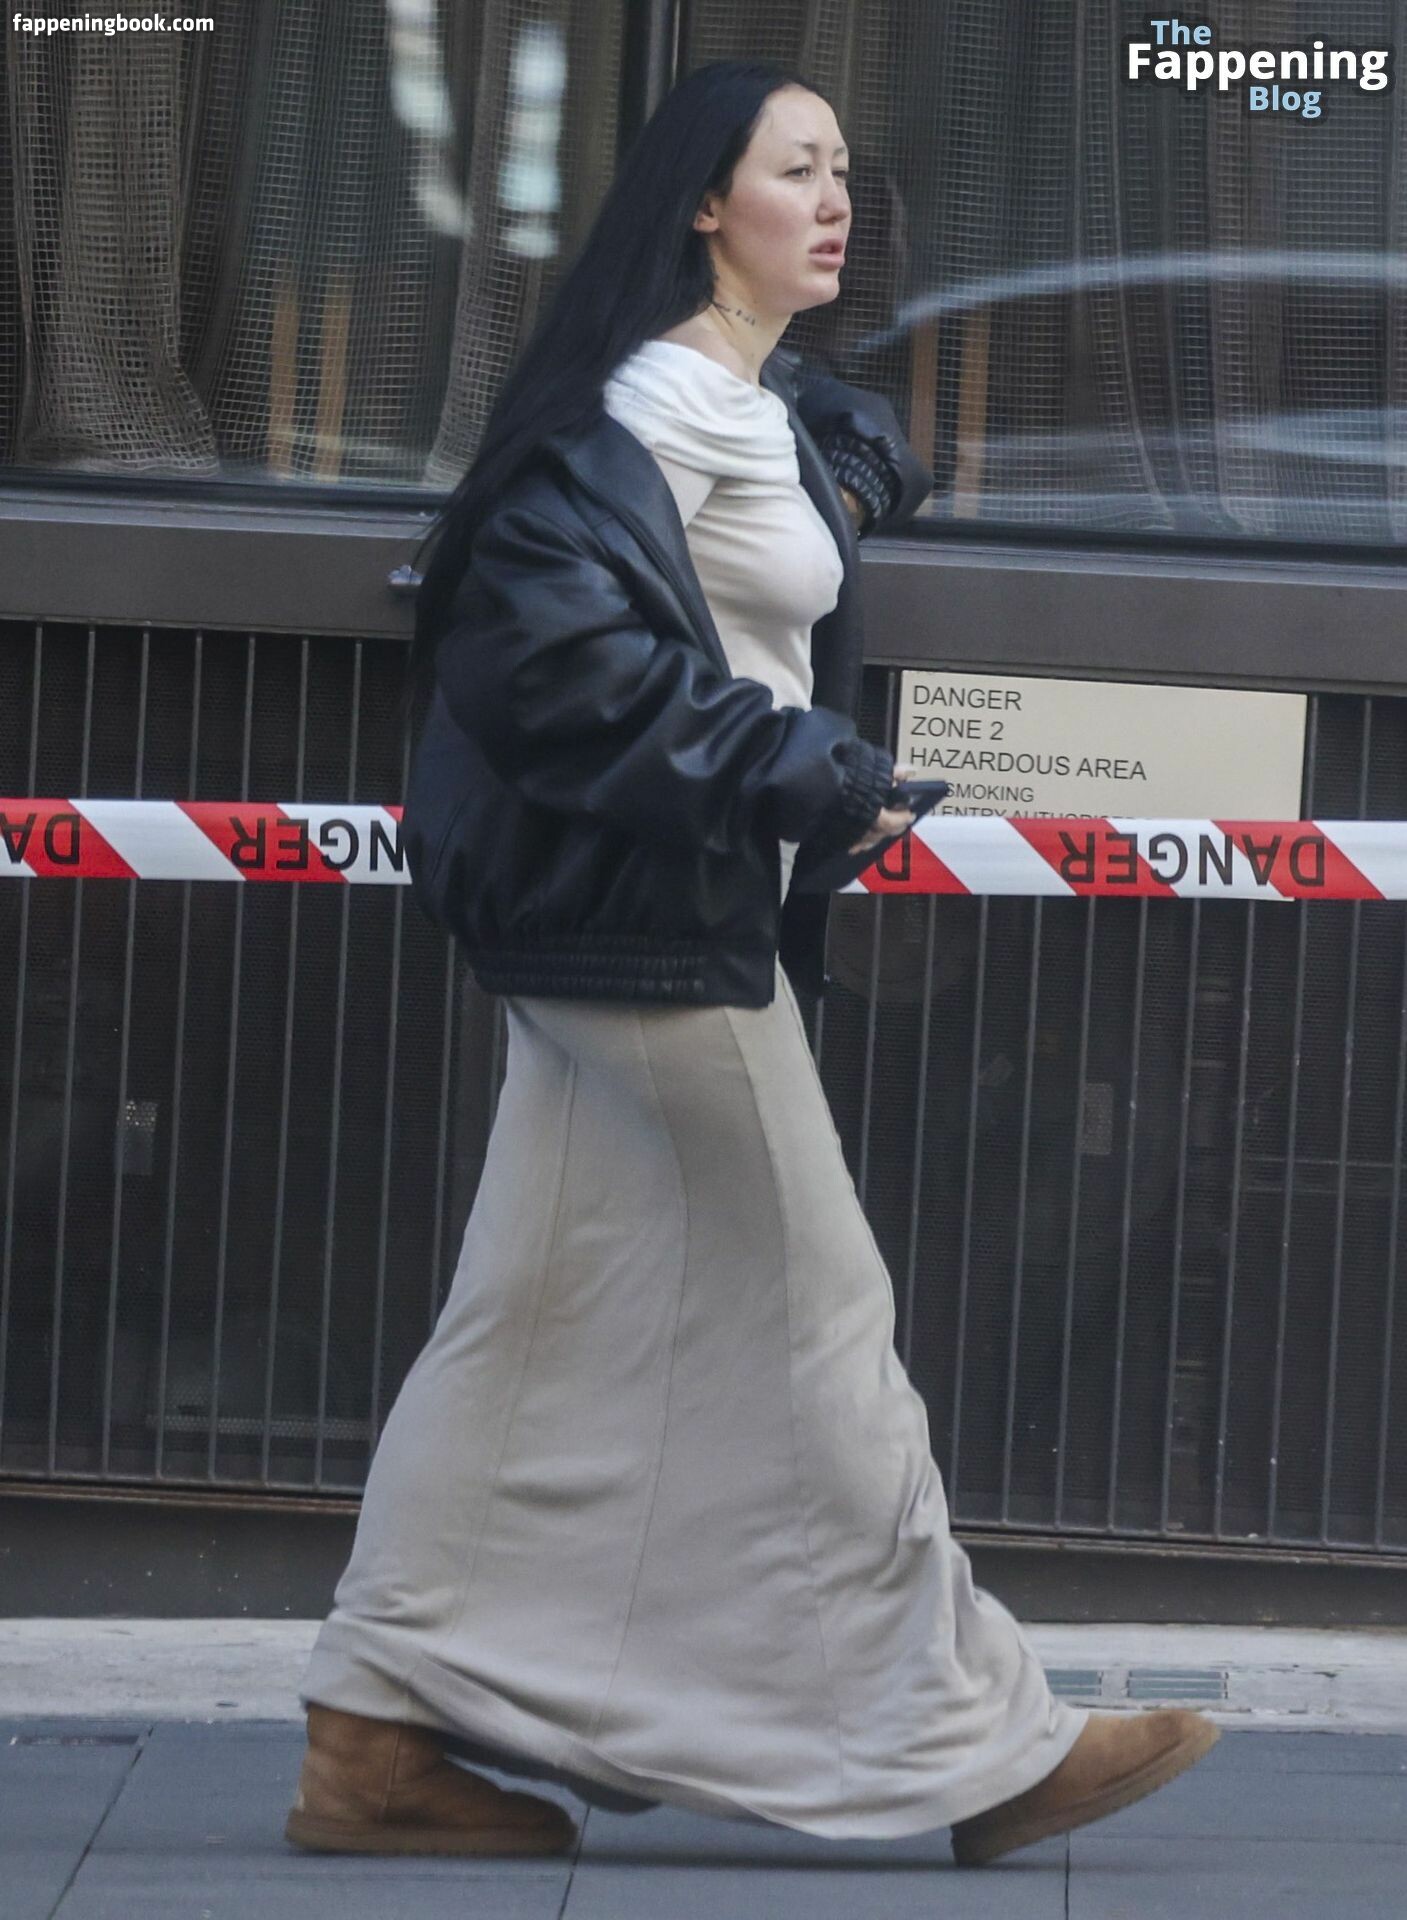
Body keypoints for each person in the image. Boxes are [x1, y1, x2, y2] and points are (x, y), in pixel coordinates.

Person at [285, 58, 1218, 1868]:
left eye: (845, 168)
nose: (838, 198)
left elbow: (783, 507)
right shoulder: (610, 436)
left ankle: (371, 1736)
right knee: (823, 1326)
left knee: (520, 1334)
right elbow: (566, 677)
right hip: (653, 936)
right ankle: (976, 1741)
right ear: (704, 203)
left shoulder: (745, 408)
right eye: (798, 170)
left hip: (656, 922)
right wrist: (805, 768)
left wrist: (845, 475)